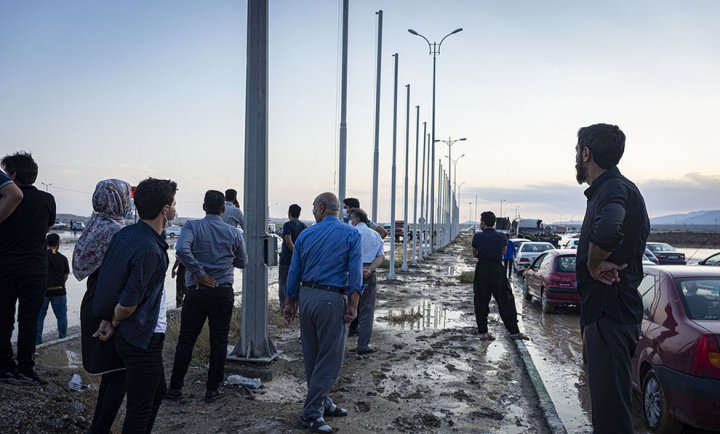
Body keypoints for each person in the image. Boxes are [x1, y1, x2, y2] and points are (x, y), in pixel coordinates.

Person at [574, 123, 649, 434]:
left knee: (611, 418)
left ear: (587, 153)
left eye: (576, 152)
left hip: (609, 315)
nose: (575, 158)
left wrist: (593, 265)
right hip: (610, 314)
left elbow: (607, 230)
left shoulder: (613, 189)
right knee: (609, 410)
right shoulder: (615, 189)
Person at [93, 177, 176, 433]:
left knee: (157, 391)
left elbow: (110, 281)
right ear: (165, 209)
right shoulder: (150, 250)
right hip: (142, 336)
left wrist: (108, 318)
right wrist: (115, 320)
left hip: (136, 332)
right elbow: (129, 302)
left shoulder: (127, 234)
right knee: (141, 406)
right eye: (173, 203)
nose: (175, 208)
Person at [283, 192, 363, 433]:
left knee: (312, 356)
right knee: (330, 359)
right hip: (331, 299)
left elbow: (294, 271)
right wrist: (353, 304)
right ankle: (311, 413)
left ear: (320, 208)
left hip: (307, 298)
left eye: (313, 208)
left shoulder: (306, 235)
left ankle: (323, 402)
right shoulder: (351, 234)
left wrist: (290, 302)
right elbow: (355, 273)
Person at [166, 190, 247, 403]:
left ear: (204, 207)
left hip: (197, 291)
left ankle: (175, 389)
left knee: (186, 341)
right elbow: (243, 262)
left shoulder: (192, 226)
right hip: (223, 292)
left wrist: (199, 273)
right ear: (223, 209)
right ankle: (213, 389)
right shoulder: (234, 233)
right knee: (219, 341)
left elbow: (182, 250)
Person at [73, 179, 132, 434]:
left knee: (113, 371)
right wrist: (114, 316)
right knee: (119, 373)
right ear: (119, 201)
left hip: (94, 300)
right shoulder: (116, 232)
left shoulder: (94, 224)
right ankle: (99, 428)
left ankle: (98, 427)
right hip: (107, 306)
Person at [0, 151, 56, 386]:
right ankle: (26, 369)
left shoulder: (5, 199)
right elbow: (49, 226)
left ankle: (4, 368)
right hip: (35, 266)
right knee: (29, 320)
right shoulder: (47, 199)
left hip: (4, 265)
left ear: (12, 175)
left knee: (3, 319)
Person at [471, 211, 526, 341]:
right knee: (505, 299)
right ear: (494, 223)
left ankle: (483, 332)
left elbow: (474, 254)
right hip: (497, 269)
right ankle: (514, 332)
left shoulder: (477, 236)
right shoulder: (502, 237)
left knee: (481, 300)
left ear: (483, 222)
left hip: (482, 269)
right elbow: (503, 252)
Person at [349, 208, 385, 355]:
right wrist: (369, 270)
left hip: (350, 273)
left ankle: (338, 343)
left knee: (347, 307)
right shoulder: (376, 235)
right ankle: (363, 346)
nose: (350, 221)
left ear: (357, 219)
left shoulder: (351, 233)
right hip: (369, 274)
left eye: (351, 218)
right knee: (367, 310)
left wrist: (356, 270)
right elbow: (380, 257)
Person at [36, 233, 69, 344]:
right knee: (61, 316)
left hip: (42, 292)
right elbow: (65, 275)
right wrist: (59, 283)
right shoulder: (63, 258)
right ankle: (62, 338)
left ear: (46, 243)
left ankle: (38, 342)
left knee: (39, 317)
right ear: (58, 243)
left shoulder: (40, 257)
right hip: (59, 291)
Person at [278, 204, 307, 310]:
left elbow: (289, 242)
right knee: (297, 283)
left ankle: (284, 307)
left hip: (286, 260)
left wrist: (296, 255)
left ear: (289, 213)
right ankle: (296, 306)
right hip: (300, 261)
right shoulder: (304, 226)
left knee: (283, 283)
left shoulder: (287, 225)